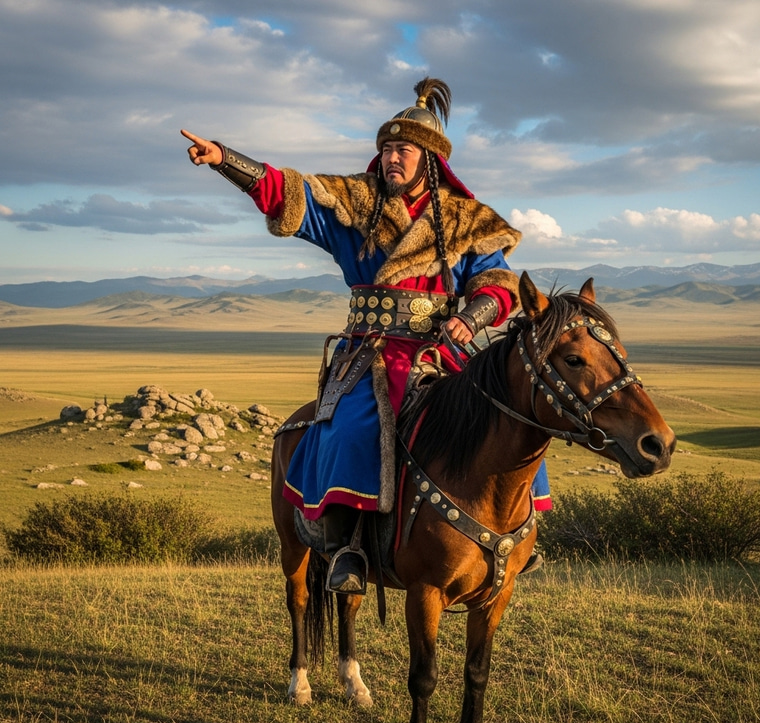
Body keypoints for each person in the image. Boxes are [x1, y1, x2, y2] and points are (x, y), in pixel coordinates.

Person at [182, 77, 551, 594]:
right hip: (371, 352)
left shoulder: (468, 219)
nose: (390, 157)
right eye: (385, 148)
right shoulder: (354, 205)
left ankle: (517, 537)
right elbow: (289, 193)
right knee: (353, 426)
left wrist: (473, 316)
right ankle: (347, 546)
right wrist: (225, 159)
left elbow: (496, 280)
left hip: (443, 347)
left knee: (509, 417)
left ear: (430, 159)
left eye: (402, 149)